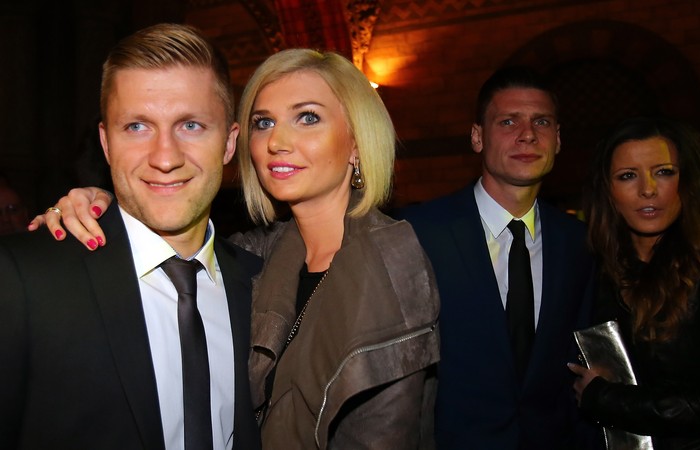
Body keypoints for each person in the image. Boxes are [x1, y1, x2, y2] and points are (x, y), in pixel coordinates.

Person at [31, 48, 440, 449]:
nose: (277, 141)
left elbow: (383, 432)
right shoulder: (259, 255)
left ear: (356, 142)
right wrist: (105, 203)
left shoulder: (391, 261)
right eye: (264, 122)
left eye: (307, 117)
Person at [1, 24, 262, 449]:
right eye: (138, 127)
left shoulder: (262, 285)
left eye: (191, 125)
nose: (165, 157)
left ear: (229, 143)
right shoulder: (22, 280)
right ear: (106, 144)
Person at [396, 66, 599, 449]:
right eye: (508, 121)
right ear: (477, 137)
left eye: (541, 122)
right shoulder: (418, 232)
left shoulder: (579, 243)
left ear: (557, 139)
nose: (527, 134)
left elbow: (580, 360)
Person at [569, 117, 700, 449]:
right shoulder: (600, 273)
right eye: (627, 175)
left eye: (664, 172)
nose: (648, 189)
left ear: (688, 181)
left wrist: (607, 399)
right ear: (607, 191)